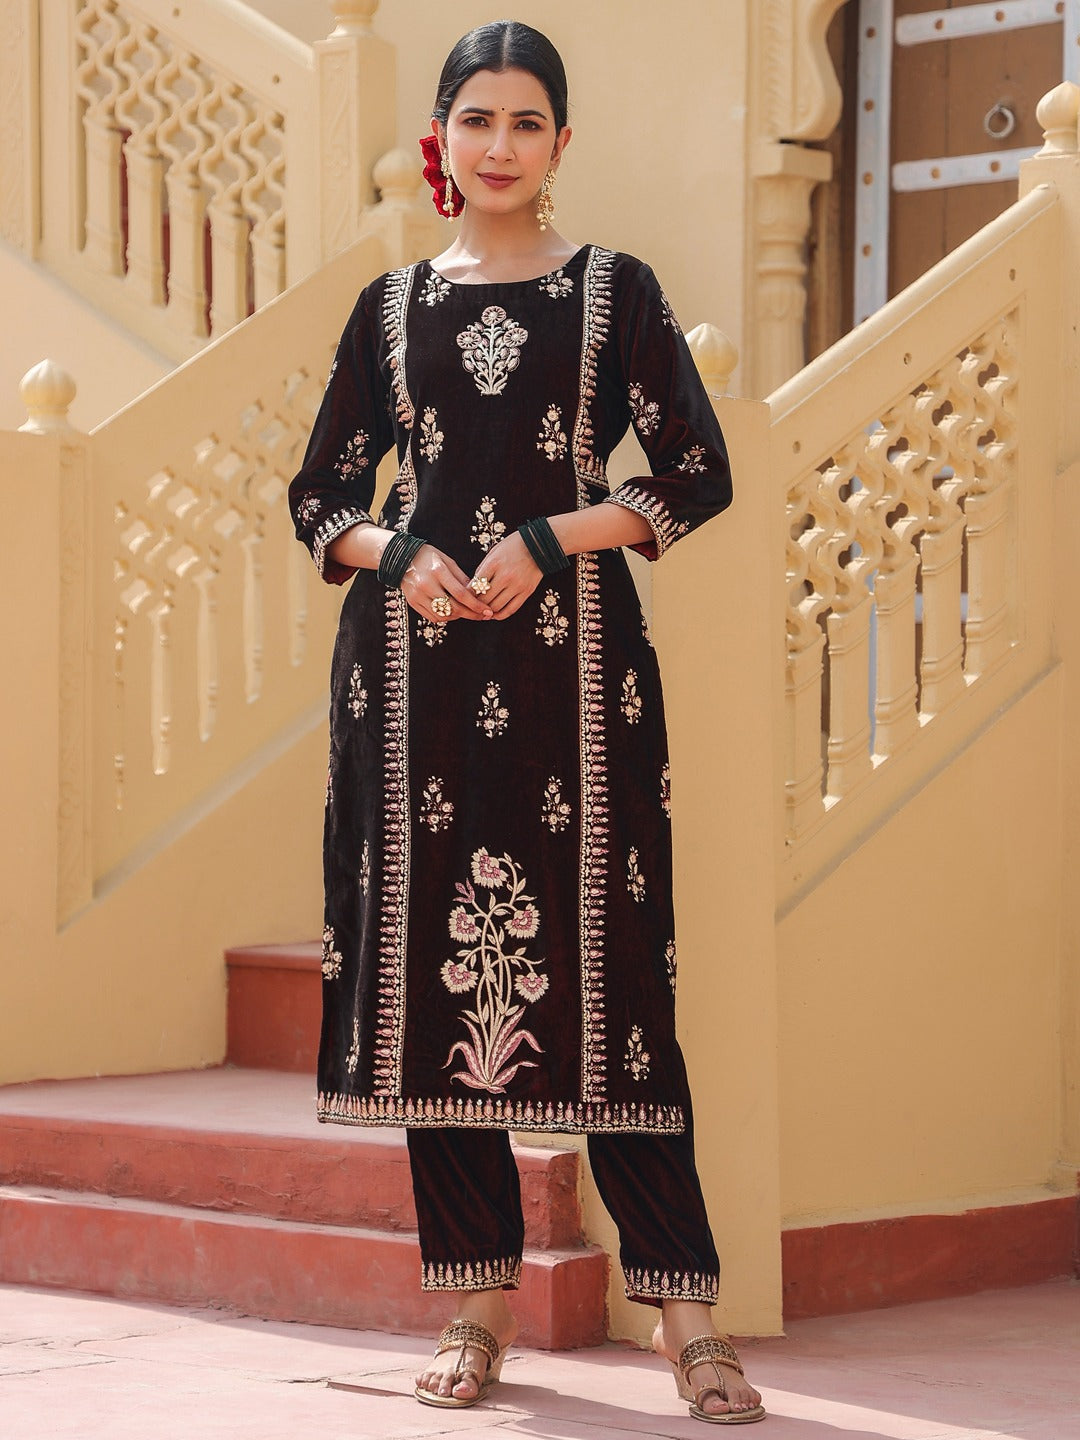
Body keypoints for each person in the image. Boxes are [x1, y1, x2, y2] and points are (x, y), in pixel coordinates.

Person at [288, 19, 764, 1427]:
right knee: (439, 989)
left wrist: (557, 535)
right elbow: (321, 495)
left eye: (527, 121)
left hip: (578, 686)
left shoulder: (615, 294)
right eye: (477, 119)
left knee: (618, 992)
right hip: (415, 687)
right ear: (442, 137)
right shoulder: (389, 311)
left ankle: (685, 1317)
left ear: (562, 142)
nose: (500, 146)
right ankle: (476, 1306)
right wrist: (397, 554)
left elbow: (695, 469)